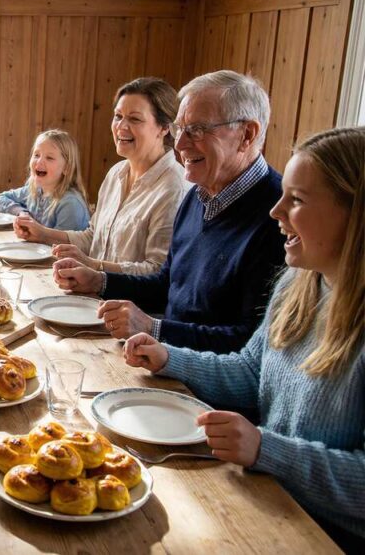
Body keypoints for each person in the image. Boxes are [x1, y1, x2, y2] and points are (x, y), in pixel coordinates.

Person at [123, 126, 365, 551]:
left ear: (356, 213)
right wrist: (168, 358)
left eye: (298, 200)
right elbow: (250, 371)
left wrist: (264, 448)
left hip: (327, 536)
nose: (276, 211)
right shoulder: (297, 283)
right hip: (270, 500)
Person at [53, 70, 286, 353]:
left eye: (197, 130)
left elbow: (250, 345)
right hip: (165, 359)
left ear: (247, 134)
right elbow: (166, 283)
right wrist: (99, 280)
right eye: (180, 129)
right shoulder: (199, 195)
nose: (181, 144)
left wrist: (154, 329)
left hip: (200, 385)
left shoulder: (279, 217)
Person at [14, 78, 187, 275]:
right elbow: (93, 237)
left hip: (127, 303)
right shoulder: (116, 173)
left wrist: (93, 267)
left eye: (135, 119)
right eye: (118, 116)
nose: (121, 126)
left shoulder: (174, 188)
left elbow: (157, 271)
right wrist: (42, 234)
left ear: (164, 128)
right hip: (92, 295)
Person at [0, 129, 89, 231]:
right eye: (36, 155)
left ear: (67, 168)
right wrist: (22, 213)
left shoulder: (71, 204)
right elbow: (2, 198)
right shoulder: (34, 190)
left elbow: (62, 244)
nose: (39, 162)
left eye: (49, 158)